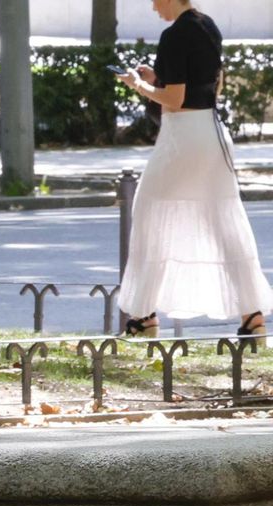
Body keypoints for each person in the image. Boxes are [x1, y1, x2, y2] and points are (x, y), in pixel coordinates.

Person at [116, 0, 273, 340]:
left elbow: (174, 99)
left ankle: (144, 316)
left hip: (182, 137)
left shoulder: (173, 35)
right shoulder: (208, 26)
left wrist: (138, 84)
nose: (154, 6)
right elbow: (208, 86)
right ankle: (252, 315)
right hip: (212, 133)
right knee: (223, 220)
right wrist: (159, 78)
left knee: (148, 210)